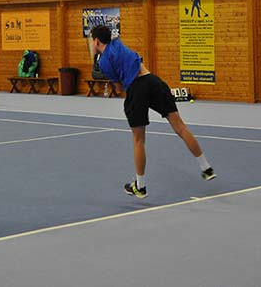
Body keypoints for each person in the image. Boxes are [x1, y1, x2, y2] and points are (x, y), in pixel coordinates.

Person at [90, 25, 215, 199]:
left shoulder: (104, 62)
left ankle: (140, 186)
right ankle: (206, 168)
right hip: (153, 82)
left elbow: (119, 87)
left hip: (136, 89)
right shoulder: (118, 43)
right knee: (181, 128)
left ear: (96, 41)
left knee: (138, 140)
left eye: (92, 40)